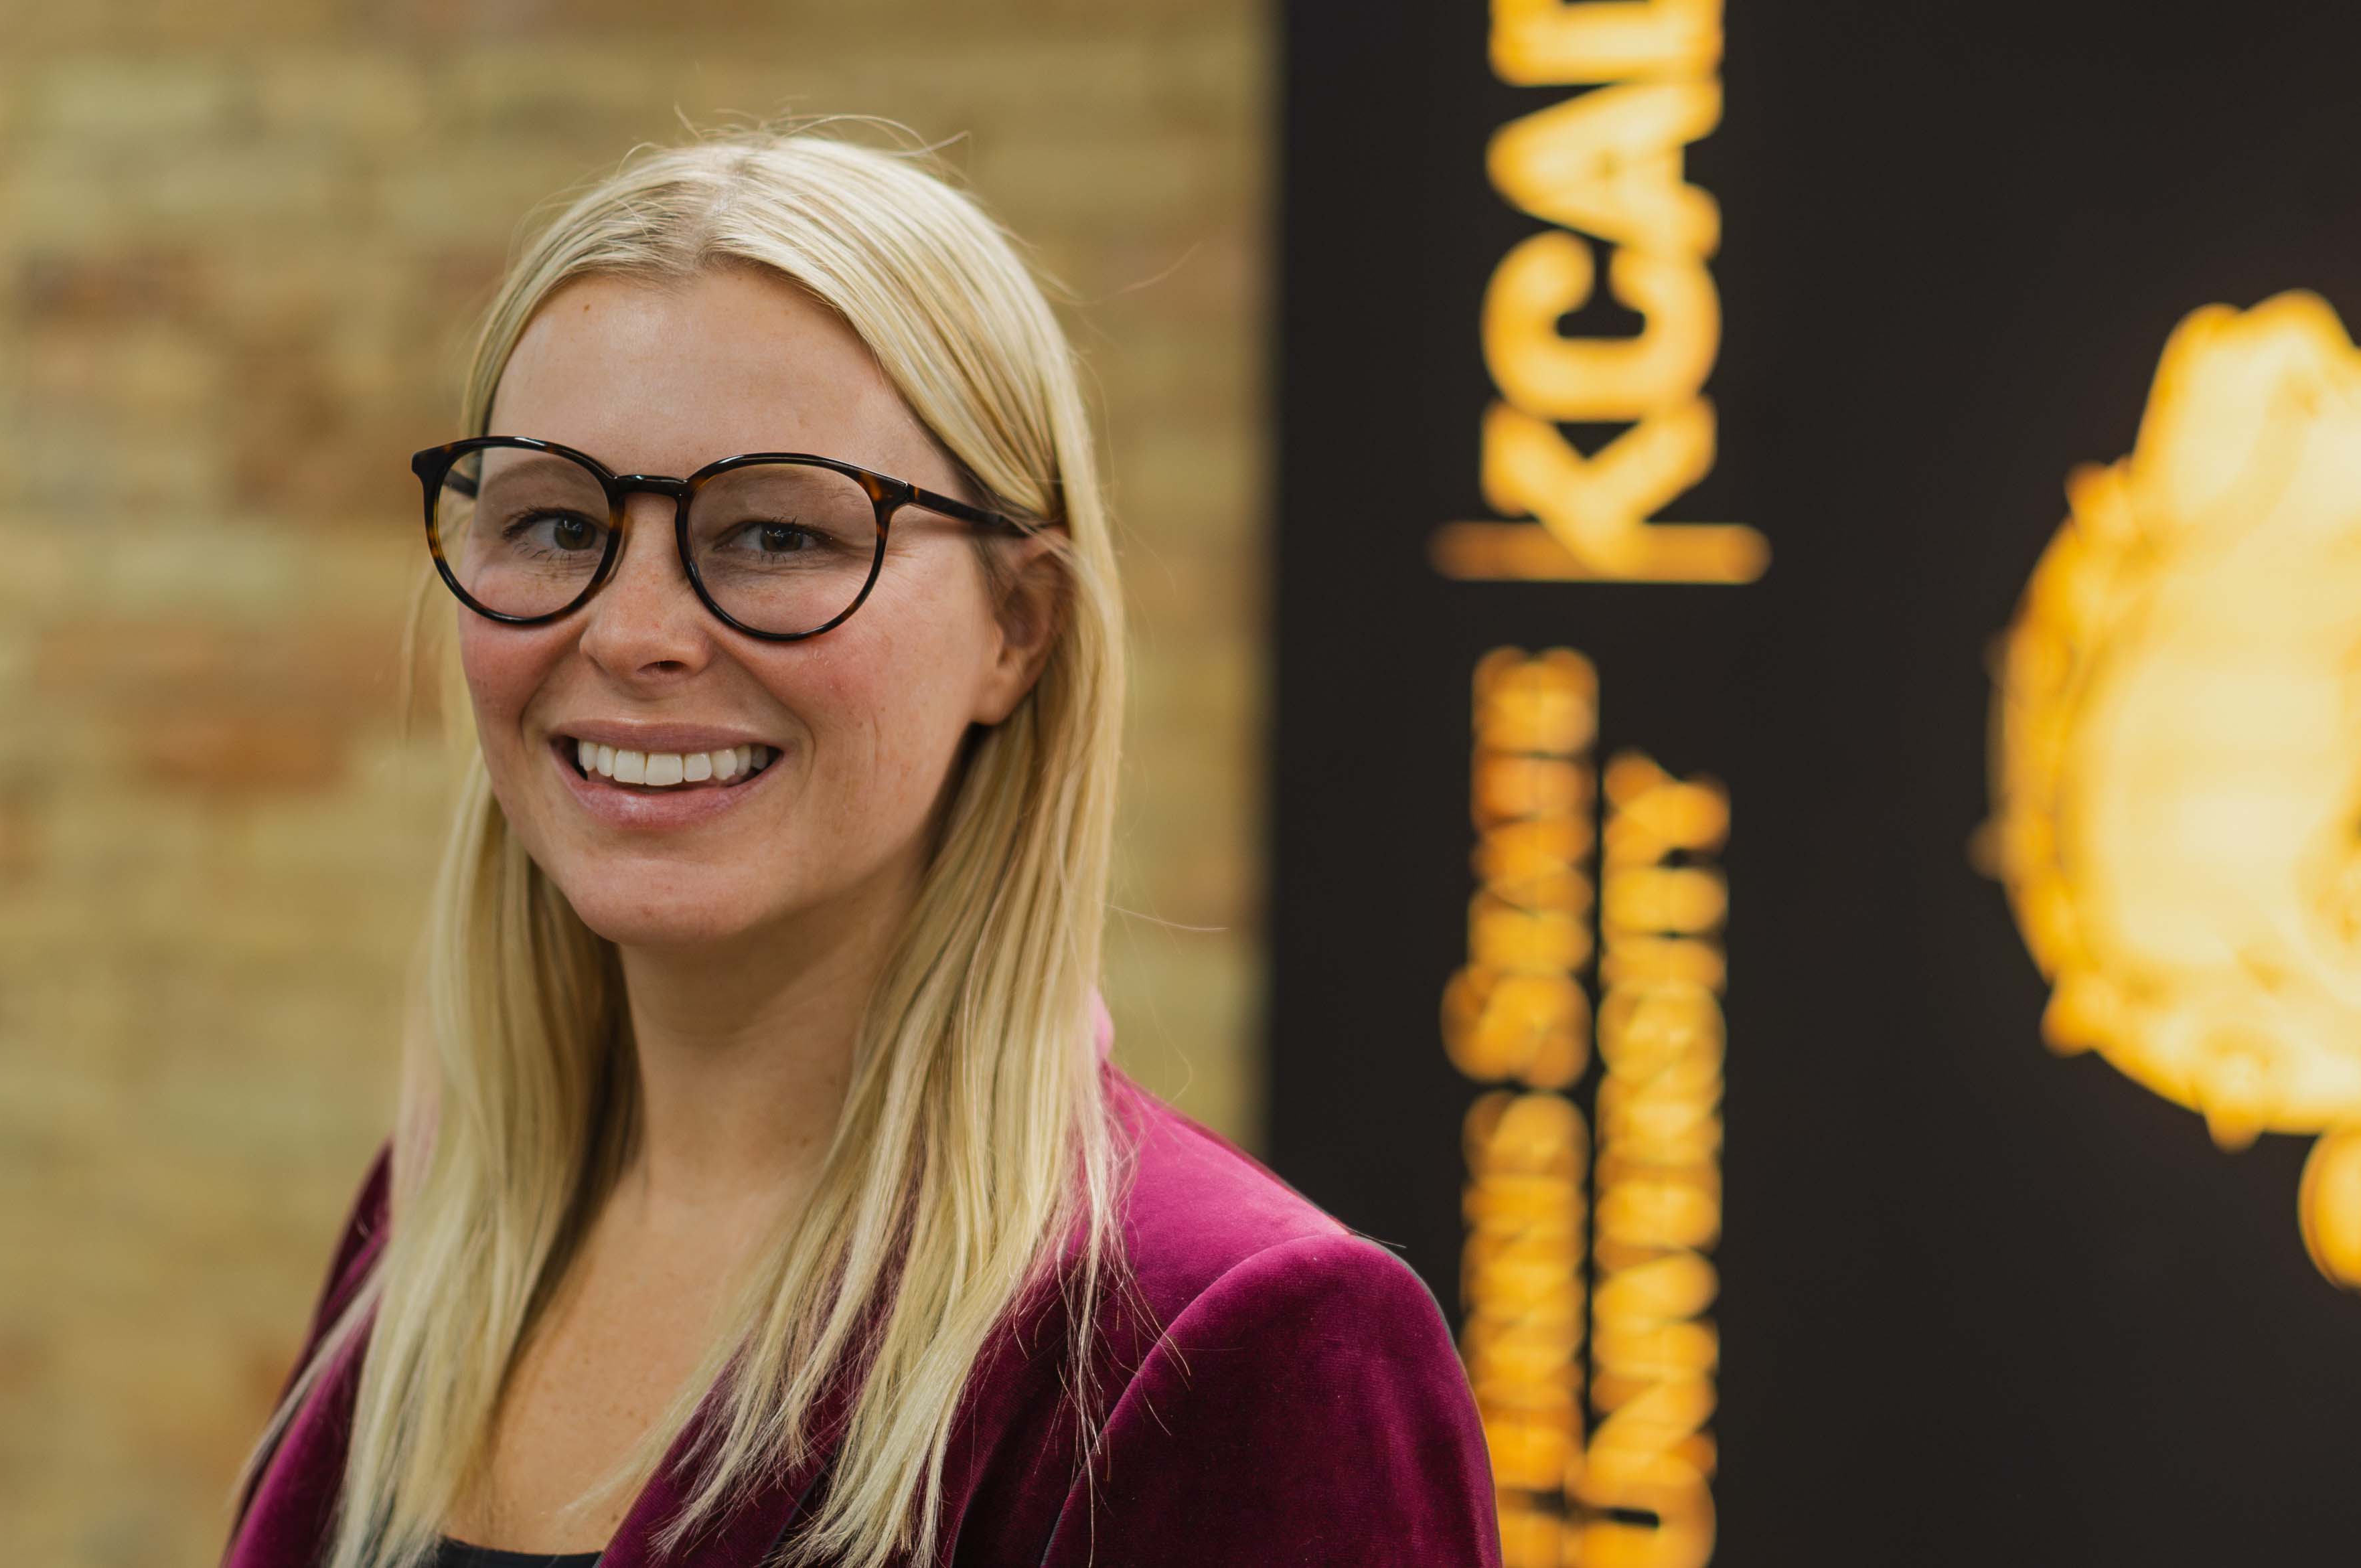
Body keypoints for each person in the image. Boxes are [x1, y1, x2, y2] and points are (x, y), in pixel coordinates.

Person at [218, 131, 1500, 1568]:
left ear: (1019, 628)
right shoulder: (432, 1230)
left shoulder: (1234, 1345)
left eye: (775, 535)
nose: (633, 632)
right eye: (557, 523)